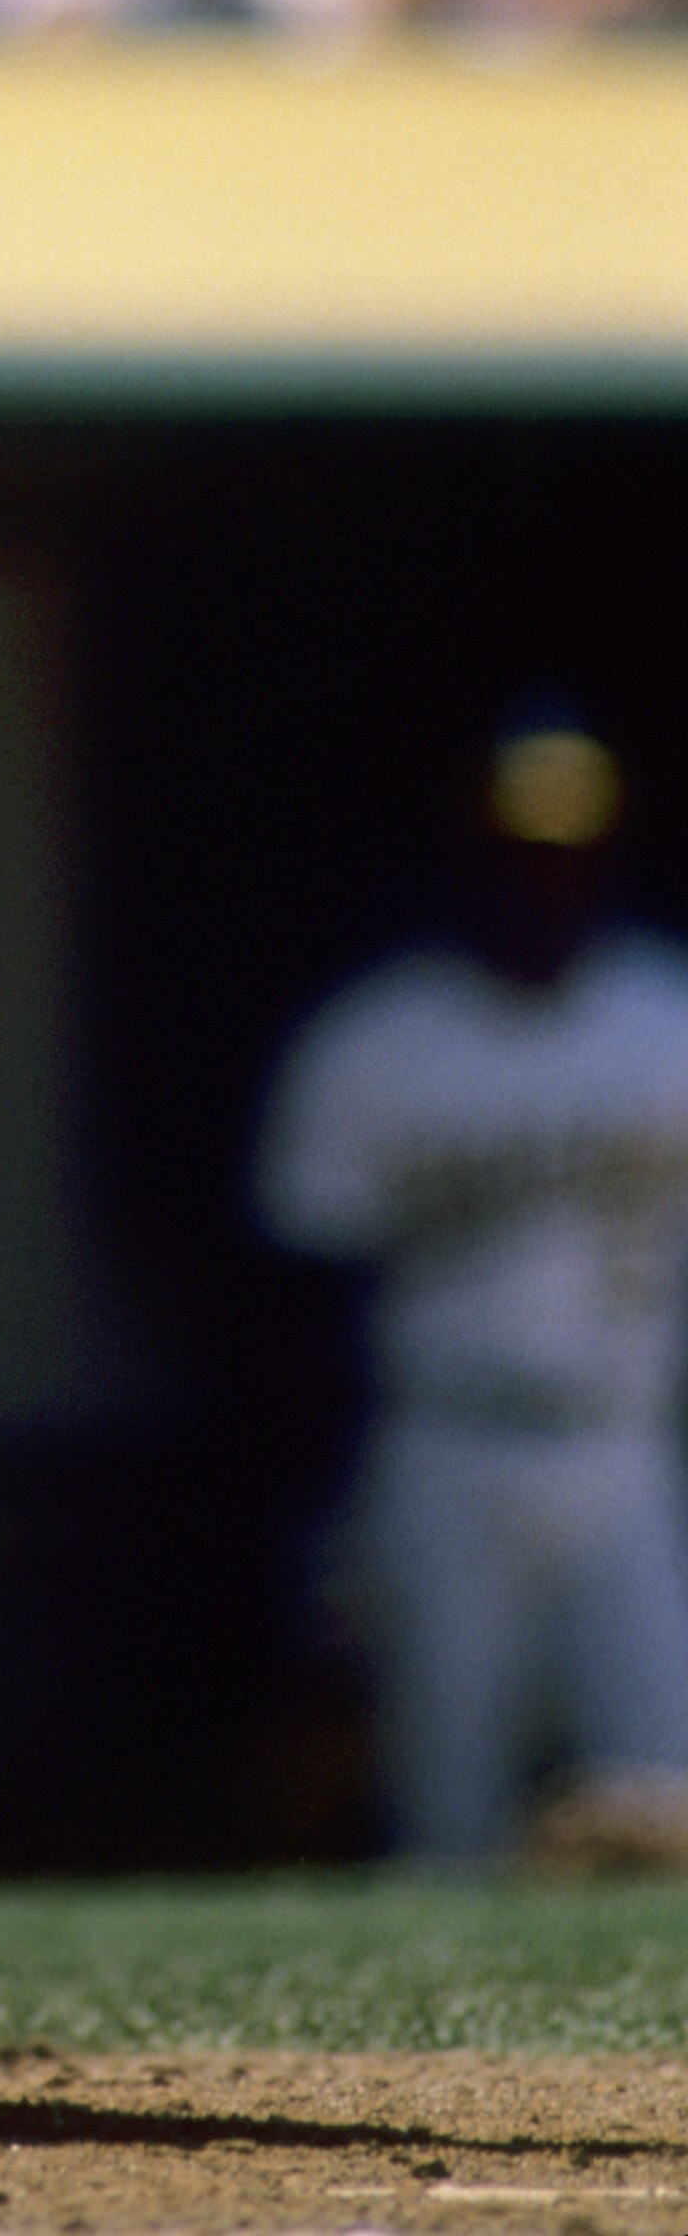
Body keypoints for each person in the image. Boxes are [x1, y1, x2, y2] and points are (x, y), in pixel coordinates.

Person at [256, 711, 688, 1863]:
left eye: (567, 853)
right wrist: (318, 1507)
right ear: (474, 862)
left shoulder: (666, 1019)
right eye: (519, 853)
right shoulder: (379, 1041)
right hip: (445, 1439)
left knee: (665, 1769)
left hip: (622, 1441)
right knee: (442, 1785)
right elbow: (298, 1289)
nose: (544, 882)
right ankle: (436, 2052)